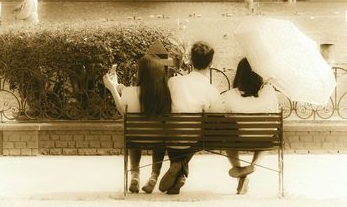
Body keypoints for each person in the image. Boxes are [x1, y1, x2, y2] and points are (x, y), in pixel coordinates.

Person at [158, 41, 226, 195]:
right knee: (200, 131)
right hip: (193, 138)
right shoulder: (210, 89)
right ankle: (181, 166)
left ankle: (177, 166)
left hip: (170, 136)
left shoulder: (173, 81)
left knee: (177, 128)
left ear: (190, 59)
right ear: (211, 63)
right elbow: (219, 115)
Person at [103, 54, 170, 194]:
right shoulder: (165, 94)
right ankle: (153, 177)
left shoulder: (129, 92)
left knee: (135, 135)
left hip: (135, 139)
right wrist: (116, 85)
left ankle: (135, 175)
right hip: (159, 141)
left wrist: (112, 88)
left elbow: (122, 110)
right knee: (160, 137)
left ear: (141, 73)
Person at [222, 58, 279, 194]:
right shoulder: (269, 91)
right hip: (265, 140)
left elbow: (225, 116)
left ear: (239, 74)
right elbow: (275, 113)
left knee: (226, 135)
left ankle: (240, 171)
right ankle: (253, 166)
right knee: (266, 133)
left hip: (240, 140)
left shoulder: (230, 95)